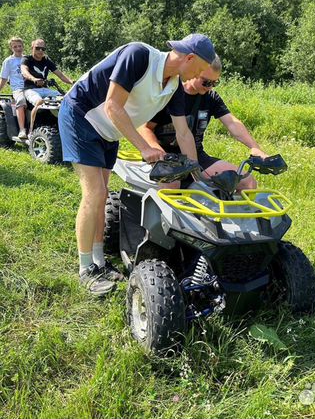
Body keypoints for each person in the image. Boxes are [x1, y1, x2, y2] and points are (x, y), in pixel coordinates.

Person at [58, 34, 217, 297]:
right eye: (199, 70)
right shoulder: (139, 56)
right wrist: (144, 148)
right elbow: (112, 105)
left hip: (109, 131)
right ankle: (86, 269)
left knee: (104, 192)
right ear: (189, 58)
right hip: (81, 115)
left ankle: (99, 261)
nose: (197, 77)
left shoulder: (174, 86)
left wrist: (198, 177)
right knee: (95, 193)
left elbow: (184, 134)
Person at [139, 55, 268, 191]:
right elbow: (145, 128)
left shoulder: (210, 97)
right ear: (194, 71)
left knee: (247, 182)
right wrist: (155, 149)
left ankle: (235, 211)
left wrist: (255, 147)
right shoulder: (170, 93)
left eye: (214, 83)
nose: (210, 87)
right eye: (206, 82)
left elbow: (232, 123)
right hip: (166, 156)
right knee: (172, 185)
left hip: (196, 156)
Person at [21, 39, 74, 134]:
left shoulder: (46, 60)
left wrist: (72, 82)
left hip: (44, 89)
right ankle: (31, 131)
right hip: (30, 89)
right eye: (37, 48)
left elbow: (60, 75)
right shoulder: (27, 59)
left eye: (43, 49)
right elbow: (24, 72)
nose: (40, 51)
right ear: (32, 48)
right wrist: (34, 79)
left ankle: (63, 126)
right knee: (39, 101)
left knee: (65, 99)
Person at [0, 37, 28, 138]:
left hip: (30, 87)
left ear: (23, 46)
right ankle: (22, 130)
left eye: (19, 46)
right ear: (11, 48)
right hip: (18, 88)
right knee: (20, 100)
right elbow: (3, 79)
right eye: (15, 46)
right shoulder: (8, 61)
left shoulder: (28, 58)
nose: (18, 48)